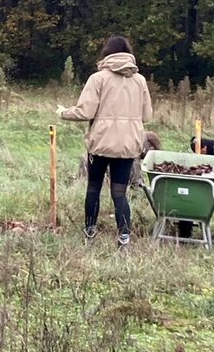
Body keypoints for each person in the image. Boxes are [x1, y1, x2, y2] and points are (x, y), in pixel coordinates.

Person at [58, 36, 153, 247]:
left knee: (93, 187)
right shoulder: (140, 81)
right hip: (128, 145)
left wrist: (63, 112)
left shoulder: (98, 78)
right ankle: (124, 236)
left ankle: (90, 230)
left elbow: (85, 110)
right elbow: (147, 115)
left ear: (107, 53)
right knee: (120, 192)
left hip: (101, 144)